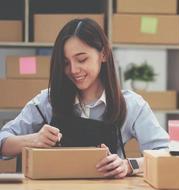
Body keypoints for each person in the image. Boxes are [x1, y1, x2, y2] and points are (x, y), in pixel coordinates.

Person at [0, 18, 169, 178]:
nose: (73, 70)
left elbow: (167, 153)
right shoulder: (47, 101)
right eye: (66, 63)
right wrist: (33, 139)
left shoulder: (132, 105)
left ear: (103, 54)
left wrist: (129, 165)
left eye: (82, 59)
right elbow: (3, 142)